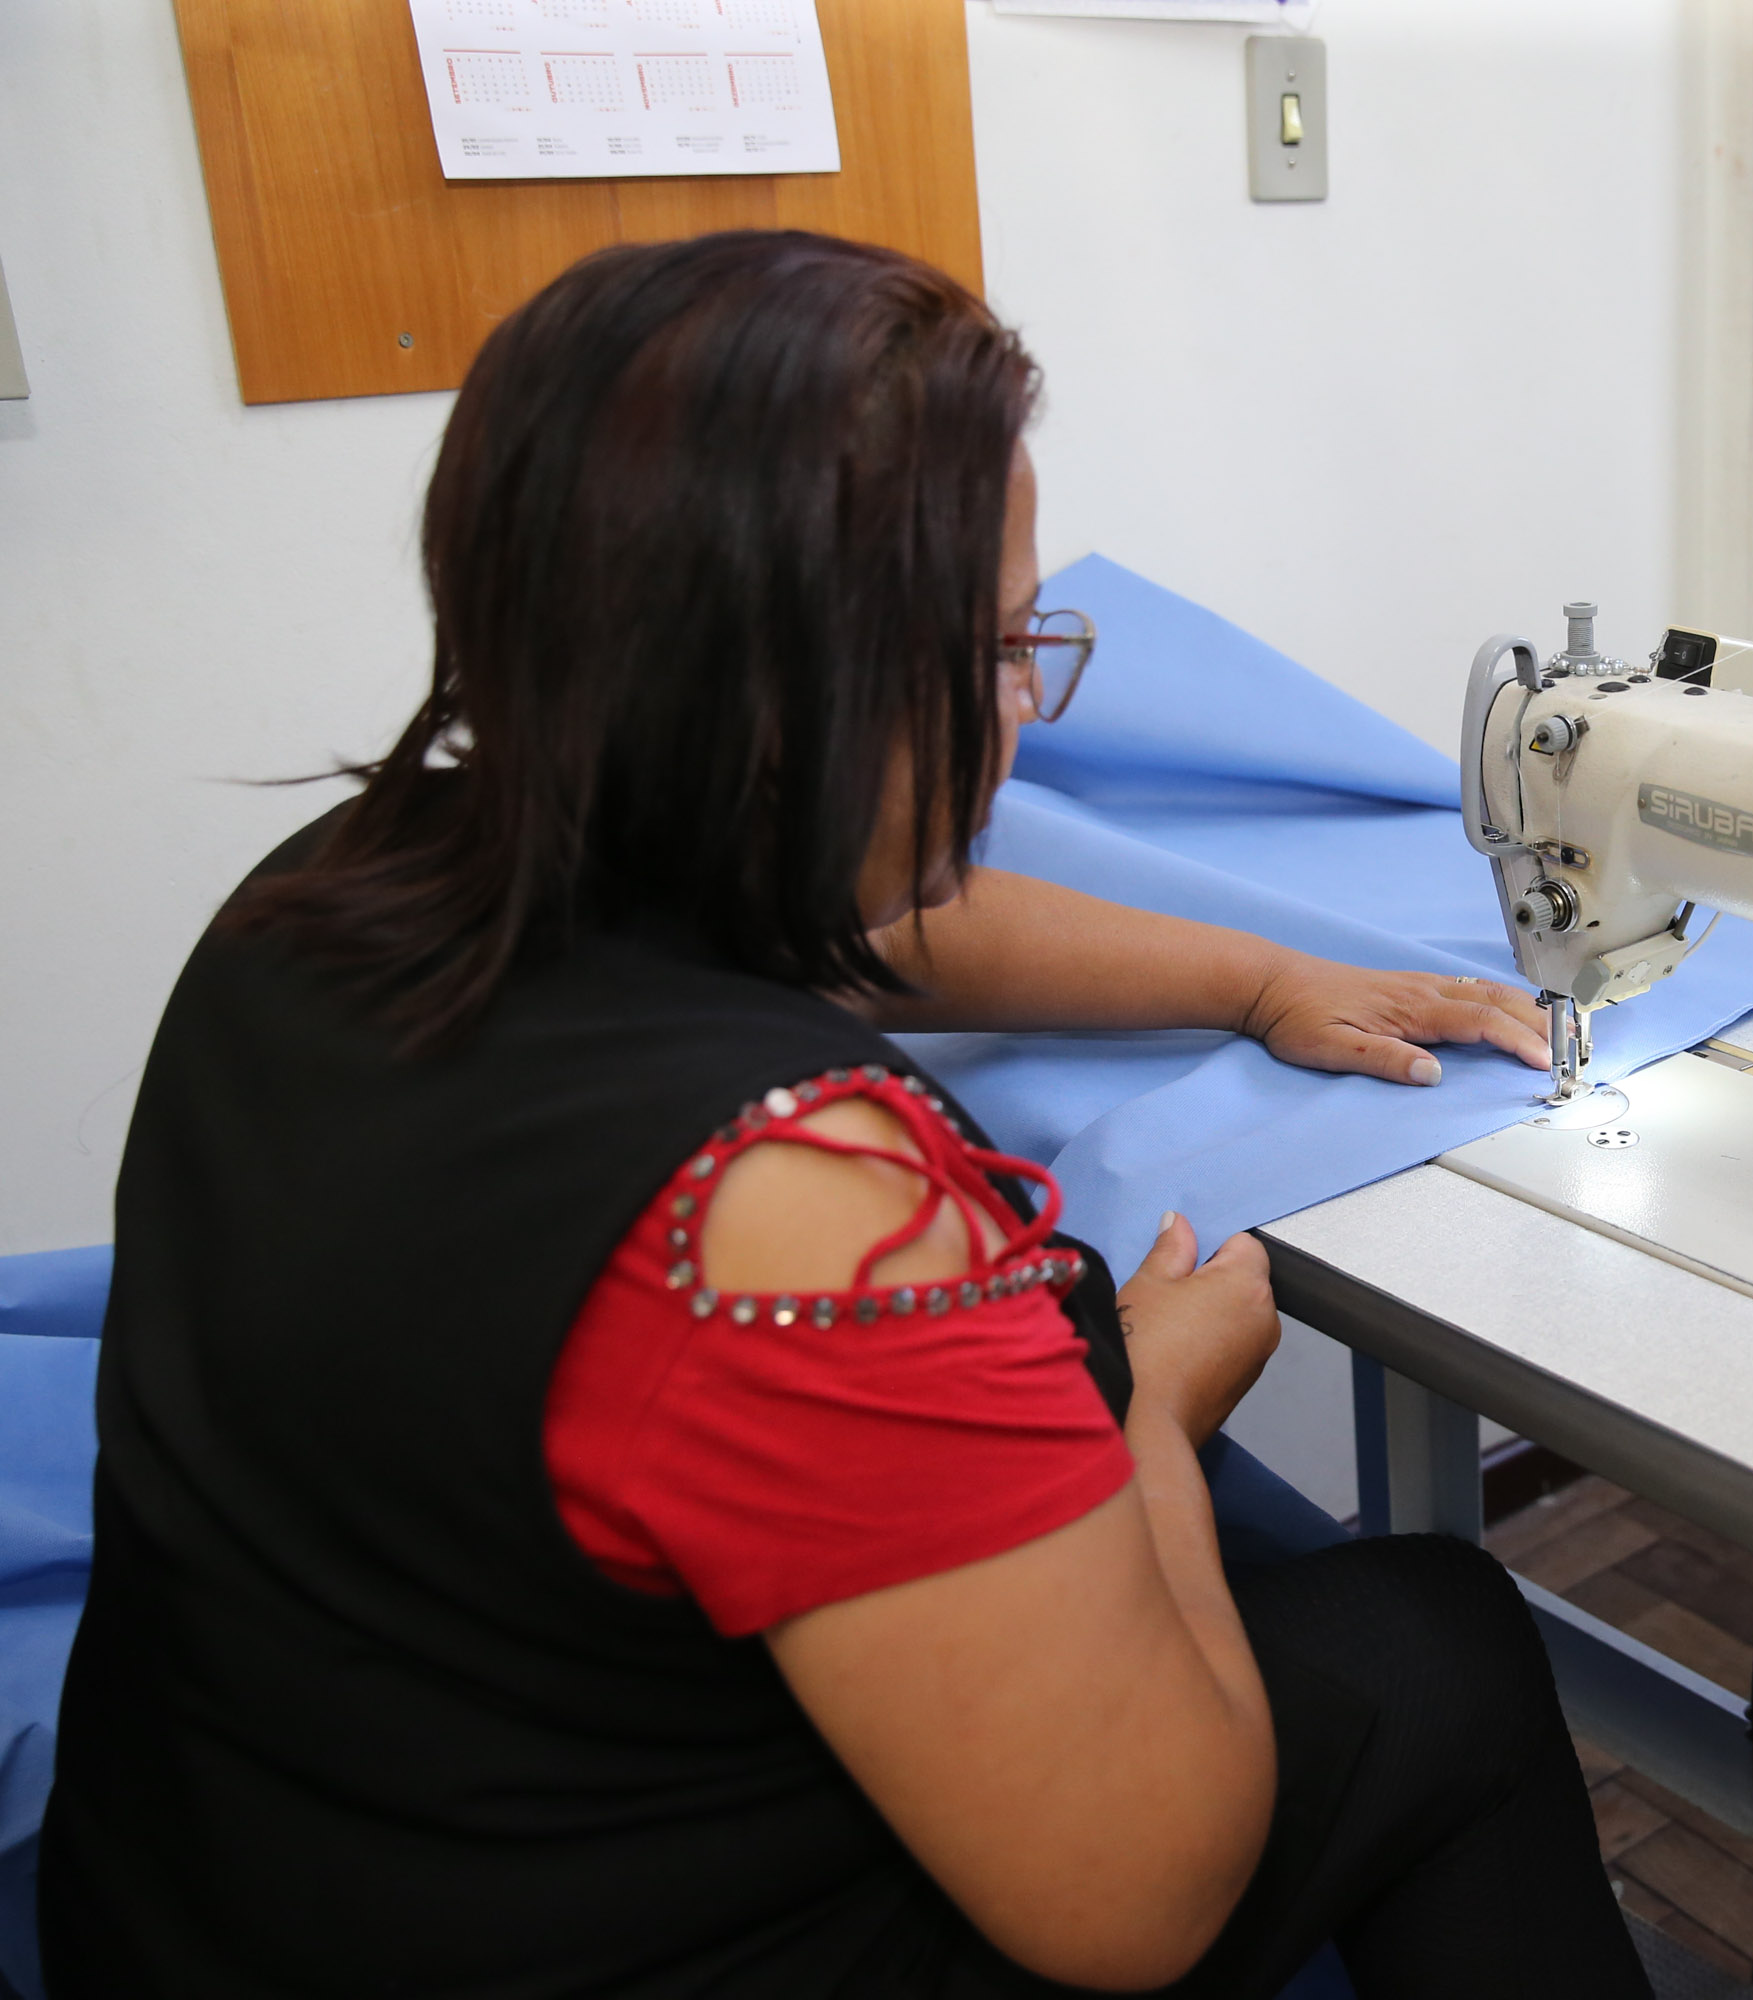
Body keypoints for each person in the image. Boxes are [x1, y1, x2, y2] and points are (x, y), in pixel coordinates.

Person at [39, 231, 1652, 1999]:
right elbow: (1142, 1894)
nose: (1024, 712)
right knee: (1440, 1637)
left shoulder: (332, 896)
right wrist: (1157, 1415)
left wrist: (1257, 977)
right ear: (800, 692)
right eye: (1003, 648)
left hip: (209, 1892)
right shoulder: (797, 1206)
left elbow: (854, 921)